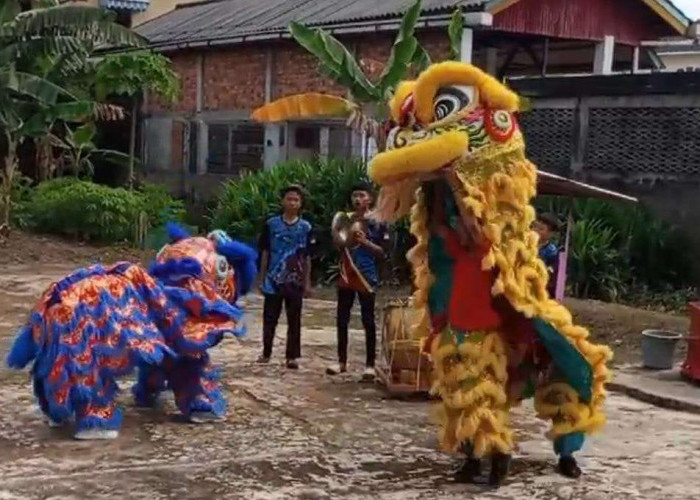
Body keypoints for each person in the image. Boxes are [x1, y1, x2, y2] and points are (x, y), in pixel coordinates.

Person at [326, 183, 388, 381]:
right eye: (354, 196)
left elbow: (384, 253)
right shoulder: (345, 219)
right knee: (342, 319)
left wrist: (365, 242)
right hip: (346, 274)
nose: (357, 199)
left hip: (367, 276)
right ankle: (341, 362)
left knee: (368, 320)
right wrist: (340, 234)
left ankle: (369, 365)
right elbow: (339, 244)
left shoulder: (378, 221)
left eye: (361, 195)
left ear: (370, 199)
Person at [256, 184, 313, 369]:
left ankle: (292, 356)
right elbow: (265, 251)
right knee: (270, 317)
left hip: (295, 280)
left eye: (296, 199)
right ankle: (266, 352)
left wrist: (307, 282)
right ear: (283, 201)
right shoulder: (271, 224)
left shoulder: (306, 227)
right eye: (289, 198)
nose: (292, 202)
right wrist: (262, 277)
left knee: (294, 319)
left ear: (301, 204)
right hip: (273, 278)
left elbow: (307, 256)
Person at [533, 212, 561, 296]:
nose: (536, 231)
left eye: (541, 229)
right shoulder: (526, 245)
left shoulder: (552, 252)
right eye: (535, 227)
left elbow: (550, 273)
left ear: (551, 233)